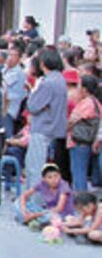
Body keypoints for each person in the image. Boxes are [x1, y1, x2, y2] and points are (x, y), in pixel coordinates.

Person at [25, 48, 68, 189]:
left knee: (35, 168)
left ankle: (34, 200)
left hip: (43, 128)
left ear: (42, 63)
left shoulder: (47, 83)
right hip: (54, 128)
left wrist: (33, 90)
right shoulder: (60, 79)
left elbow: (32, 105)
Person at [15, 163, 73, 229]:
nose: (54, 179)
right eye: (50, 177)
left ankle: (30, 219)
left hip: (60, 214)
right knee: (18, 202)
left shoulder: (64, 186)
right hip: (46, 211)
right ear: (44, 179)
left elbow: (59, 208)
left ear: (60, 176)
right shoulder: (42, 184)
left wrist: (35, 215)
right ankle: (28, 218)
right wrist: (23, 211)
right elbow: (24, 195)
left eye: (56, 176)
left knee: (51, 217)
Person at [67, 74, 100, 191]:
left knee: (78, 173)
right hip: (88, 141)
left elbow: (72, 121)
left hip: (78, 142)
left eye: (79, 85)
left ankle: (81, 202)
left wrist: (64, 129)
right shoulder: (97, 103)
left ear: (84, 89)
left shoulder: (85, 103)